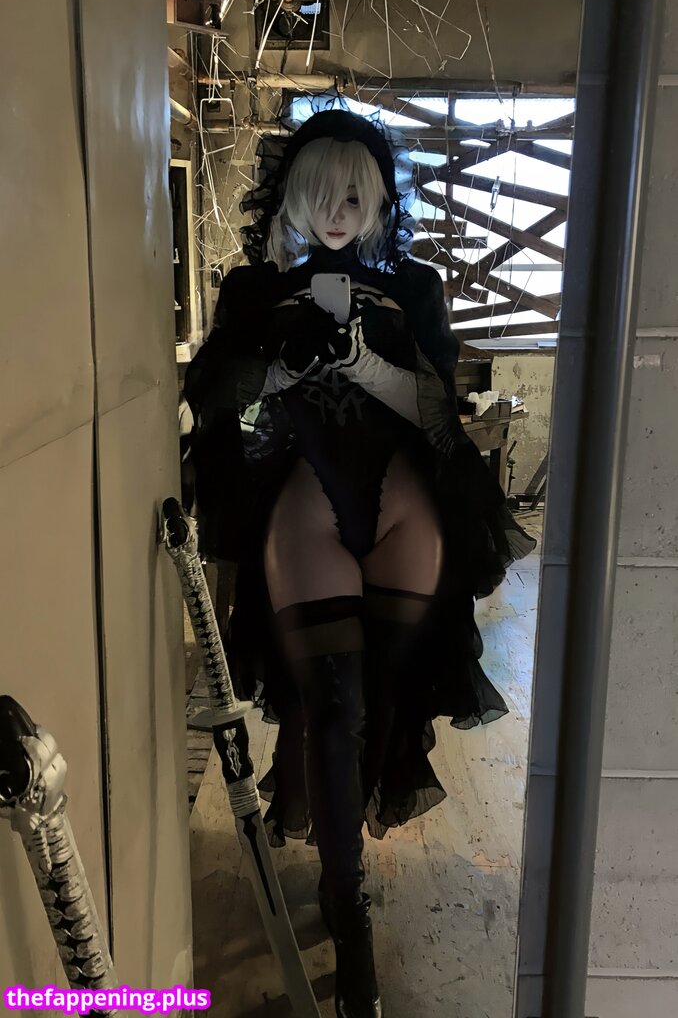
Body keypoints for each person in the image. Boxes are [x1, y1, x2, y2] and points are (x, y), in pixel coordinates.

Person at [184, 100, 535, 1018]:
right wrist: (285, 365)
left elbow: (439, 410)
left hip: (402, 498)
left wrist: (367, 362)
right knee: (332, 706)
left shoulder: (413, 285)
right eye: (320, 195)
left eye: (354, 197)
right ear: (293, 197)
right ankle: (350, 920)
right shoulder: (253, 289)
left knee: (382, 696)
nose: (336, 213)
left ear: (379, 201)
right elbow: (212, 398)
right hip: (306, 493)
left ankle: (345, 843)